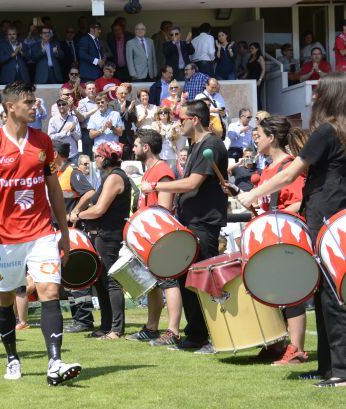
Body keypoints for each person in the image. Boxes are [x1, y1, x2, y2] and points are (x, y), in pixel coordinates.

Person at [238, 73, 346, 387]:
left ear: (328, 97)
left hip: (325, 218)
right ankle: (328, 367)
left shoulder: (326, 131)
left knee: (332, 297)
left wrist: (253, 194)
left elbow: (290, 175)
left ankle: (340, 370)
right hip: (335, 217)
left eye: (317, 94)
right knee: (328, 295)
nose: (312, 99)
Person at [0, 81, 82, 384]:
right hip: (5, 238)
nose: (36, 107)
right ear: (11, 108)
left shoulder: (43, 141)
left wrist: (64, 231)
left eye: (35, 102)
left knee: (49, 291)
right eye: (29, 103)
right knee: (5, 299)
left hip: (41, 233)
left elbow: (54, 189)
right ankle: (12, 358)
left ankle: (55, 362)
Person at [141, 99, 228, 354]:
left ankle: (215, 336)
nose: (179, 123)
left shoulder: (211, 144)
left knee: (204, 280)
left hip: (204, 222)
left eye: (183, 119)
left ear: (195, 120)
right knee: (188, 279)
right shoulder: (195, 146)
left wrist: (156, 187)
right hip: (191, 222)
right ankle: (196, 335)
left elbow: (191, 184)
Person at [247, 116, 308, 365]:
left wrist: (274, 217)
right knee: (274, 290)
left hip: (287, 236)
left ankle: (297, 349)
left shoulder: (289, 167)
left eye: (259, 133)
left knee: (292, 291)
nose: (255, 137)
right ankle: (278, 343)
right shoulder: (269, 169)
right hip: (271, 236)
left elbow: (299, 202)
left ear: (272, 138)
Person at [126, 129, 184, 346]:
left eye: (136, 144)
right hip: (149, 237)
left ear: (146, 147)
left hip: (162, 236)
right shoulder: (149, 171)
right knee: (152, 283)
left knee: (169, 281)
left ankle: (173, 331)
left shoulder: (163, 170)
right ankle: (151, 328)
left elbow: (165, 208)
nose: (133, 148)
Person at [73, 141, 130, 340]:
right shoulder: (108, 177)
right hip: (102, 235)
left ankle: (116, 328)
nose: (95, 159)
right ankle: (106, 325)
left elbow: (99, 209)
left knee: (112, 281)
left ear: (106, 158)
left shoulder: (115, 177)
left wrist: (77, 215)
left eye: (97, 155)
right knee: (101, 281)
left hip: (109, 236)